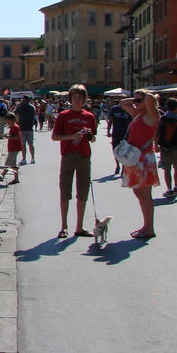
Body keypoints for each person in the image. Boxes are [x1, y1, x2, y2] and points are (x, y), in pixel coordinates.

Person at [51, 84, 97, 239]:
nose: (77, 101)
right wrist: (72, 136)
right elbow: (54, 136)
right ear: (70, 99)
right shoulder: (64, 115)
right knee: (65, 191)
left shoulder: (89, 116)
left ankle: (79, 226)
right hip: (68, 156)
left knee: (82, 192)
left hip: (84, 156)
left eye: (80, 98)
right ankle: (63, 226)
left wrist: (90, 136)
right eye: (75, 98)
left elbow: (94, 139)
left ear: (84, 99)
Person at [118, 89, 161, 239]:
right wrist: (137, 100)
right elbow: (123, 103)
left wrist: (147, 97)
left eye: (138, 100)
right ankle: (146, 225)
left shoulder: (152, 115)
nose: (135, 103)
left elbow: (149, 97)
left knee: (145, 194)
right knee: (138, 191)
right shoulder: (139, 115)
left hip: (143, 159)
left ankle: (149, 227)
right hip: (135, 158)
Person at [157, 97, 177, 198]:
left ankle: (169, 189)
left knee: (167, 169)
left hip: (164, 147)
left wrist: (156, 145)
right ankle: (176, 186)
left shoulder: (162, 119)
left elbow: (157, 133)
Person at [107, 98, 132, 175]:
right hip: (116, 133)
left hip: (125, 134)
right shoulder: (114, 109)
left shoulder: (129, 109)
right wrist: (108, 131)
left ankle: (124, 167)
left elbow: (130, 122)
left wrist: (130, 133)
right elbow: (110, 120)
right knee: (115, 150)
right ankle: (117, 165)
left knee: (125, 151)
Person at [15, 95, 36, 164]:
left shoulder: (20, 107)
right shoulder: (32, 107)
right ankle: (32, 158)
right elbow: (34, 115)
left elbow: (15, 112)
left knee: (23, 145)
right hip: (30, 127)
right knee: (31, 144)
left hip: (22, 127)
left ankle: (24, 159)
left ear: (24, 100)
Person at [3, 113, 21, 184]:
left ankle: (1, 176)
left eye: (7, 120)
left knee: (8, 163)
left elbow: (17, 137)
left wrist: (8, 137)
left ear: (11, 120)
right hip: (12, 148)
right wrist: (8, 135)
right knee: (13, 164)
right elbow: (13, 135)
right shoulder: (13, 126)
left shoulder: (15, 127)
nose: (7, 122)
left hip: (14, 148)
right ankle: (16, 178)